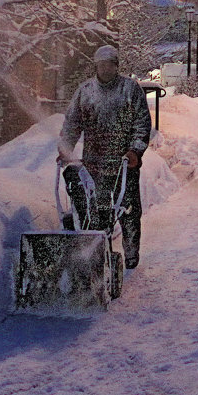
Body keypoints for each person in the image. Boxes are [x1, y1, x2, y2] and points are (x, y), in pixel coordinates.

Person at [58, 45, 152, 269]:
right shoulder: (86, 91)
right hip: (94, 164)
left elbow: (142, 123)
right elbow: (72, 123)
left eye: (109, 64)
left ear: (116, 65)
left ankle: (130, 253)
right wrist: (65, 149)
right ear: (96, 66)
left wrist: (135, 151)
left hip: (124, 164)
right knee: (97, 210)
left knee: (128, 210)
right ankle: (102, 255)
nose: (105, 69)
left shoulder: (130, 89)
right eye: (101, 65)